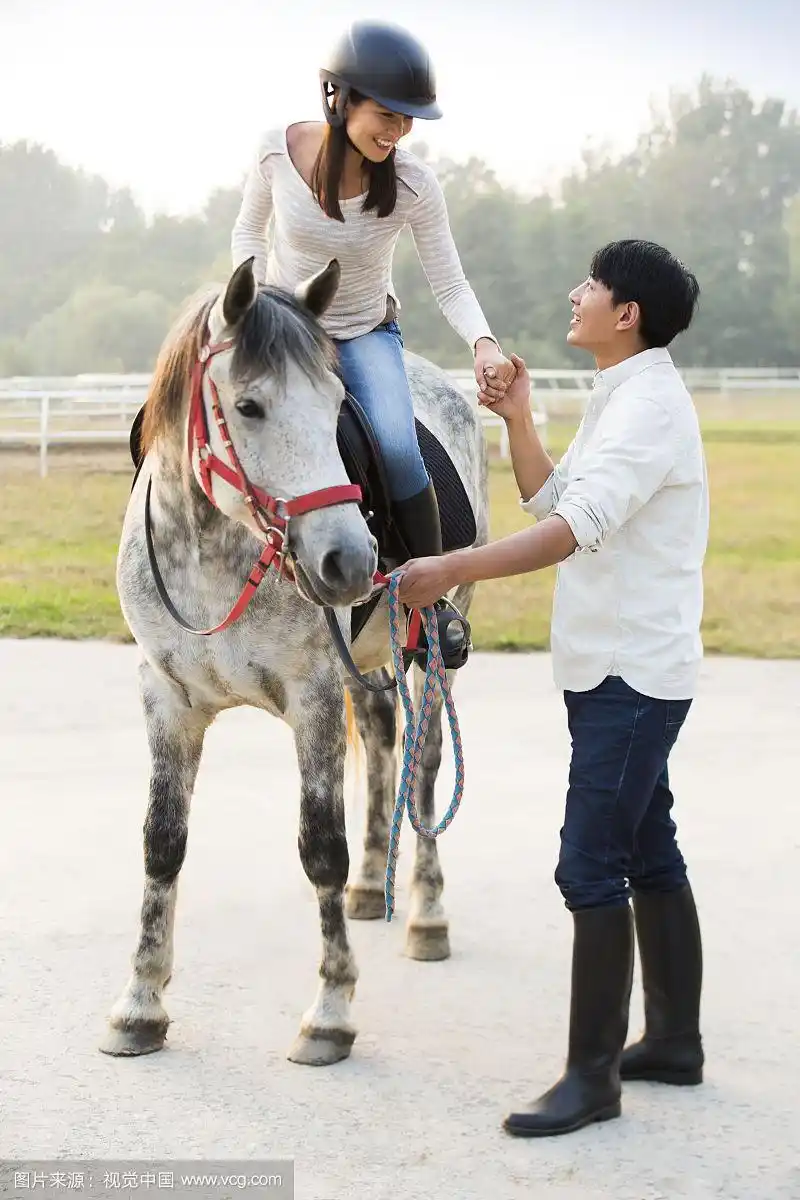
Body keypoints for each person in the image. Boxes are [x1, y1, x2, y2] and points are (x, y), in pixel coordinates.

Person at [397, 238, 708, 1137]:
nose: (575, 294)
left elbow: (571, 530)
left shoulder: (649, 407)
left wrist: (449, 567)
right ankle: (676, 1043)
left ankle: (591, 1079)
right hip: (613, 665)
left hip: (632, 673)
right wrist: (520, 416)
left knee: (589, 865)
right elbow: (549, 496)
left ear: (628, 314)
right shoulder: (622, 395)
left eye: (590, 285)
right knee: (649, 846)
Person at [230, 19, 514, 614]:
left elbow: (450, 280)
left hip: (364, 331)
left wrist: (483, 342)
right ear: (340, 99)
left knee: (396, 445)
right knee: (211, 417)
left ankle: (428, 607)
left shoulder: (414, 184)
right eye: (388, 114)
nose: (400, 131)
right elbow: (248, 233)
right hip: (284, 331)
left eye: (408, 119)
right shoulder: (274, 150)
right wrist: (253, 308)